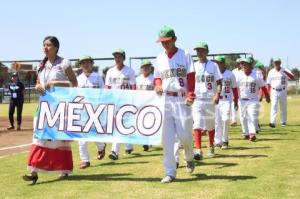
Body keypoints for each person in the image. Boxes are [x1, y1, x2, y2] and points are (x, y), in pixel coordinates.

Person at [22, 36, 77, 184]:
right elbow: (38, 83)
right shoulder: (41, 65)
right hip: (44, 106)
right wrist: (38, 86)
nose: (45, 47)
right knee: (39, 136)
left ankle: (64, 169)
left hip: (59, 106)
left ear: (56, 48)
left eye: (49, 45)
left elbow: (74, 83)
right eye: (44, 45)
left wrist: (55, 82)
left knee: (60, 139)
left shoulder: (64, 63)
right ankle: (33, 171)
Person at [154, 26, 195, 183]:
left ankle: (189, 157)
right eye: (162, 42)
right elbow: (157, 78)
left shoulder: (185, 55)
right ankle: (170, 172)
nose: (164, 44)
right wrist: (157, 85)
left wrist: (191, 94)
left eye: (167, 41)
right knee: (167, 139)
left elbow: (191, 77)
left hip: (181, 98)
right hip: (165, 99)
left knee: (185, 136)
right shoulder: (159, 58)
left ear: (174, 39)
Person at [192, 42, 222, 160]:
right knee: (197, 124)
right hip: (197, 99)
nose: (199, 52)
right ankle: (198, 149)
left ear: (207, 52)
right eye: (197, 50)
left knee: (210, 125)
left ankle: (211, 145)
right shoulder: (193, 66)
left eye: (202, 50)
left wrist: (217, 94)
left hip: (210, 98)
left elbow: (219, 82)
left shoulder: (213, 66)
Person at [105, 49, 136, 160]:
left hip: (126, 101)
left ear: (123, 58)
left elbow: (133, 87)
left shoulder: (130, 71)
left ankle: (117, 150)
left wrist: (133, 102)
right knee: (119, 127)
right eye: (116, 57)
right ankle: (126, 147)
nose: (117, 59)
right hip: (114, 102)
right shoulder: (110, 71)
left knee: (121, 126)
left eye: (119, 57)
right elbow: (107, 88)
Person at [76, 55, 106, 169]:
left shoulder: (98, 77)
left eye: (88, 62)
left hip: (96, 110)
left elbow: (104, 93)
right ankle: (85, 160)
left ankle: (101, 146)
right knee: (81, 137)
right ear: (80, 65)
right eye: (83, 63)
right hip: (82, 110)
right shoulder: (78, 78)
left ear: (92, 64)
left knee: (94, 133)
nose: (85, 64)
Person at [236, 58, 270, 141]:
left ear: (250, 65)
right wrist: (235, 99)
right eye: (242, 64)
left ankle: (252, 133)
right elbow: (235, 88)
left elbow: (263, 86)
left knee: (252, 115)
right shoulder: (238, 75)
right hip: (242, 100)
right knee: (243, 117)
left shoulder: (257, 75)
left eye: (245, 64)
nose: (243, 65)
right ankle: (246, 133)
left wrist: (267, 96)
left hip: (253, 99)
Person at [213, 56, 238, 149]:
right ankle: (217, 141)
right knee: (217, 121)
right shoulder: (214, 74)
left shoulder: (230, 74)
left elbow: (235, 88)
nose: (216, 64)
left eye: (218, 62)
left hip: (227, 100)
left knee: (225, 119)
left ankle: (225, 140)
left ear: (223, 63)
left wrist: (235, 101)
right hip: (216, 100)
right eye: (216, 62)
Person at [266, 58, 294, 128]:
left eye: (278, 62)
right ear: (273, 63)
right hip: (274, 90)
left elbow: (292, 77)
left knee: (283, 107)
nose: (276, 64)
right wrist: (268, 93)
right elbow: (268, 83)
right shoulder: (271, 71)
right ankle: (272, 122)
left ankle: (283, 121)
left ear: (280, 63)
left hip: (283, 90)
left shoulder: (285, 70)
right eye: (275, 62)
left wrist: (285, 72)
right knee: (274, 106)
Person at [136, 59, 154, 151]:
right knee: (141, 124)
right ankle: (145, 141)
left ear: (151, 68)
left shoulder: (154, 78)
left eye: (148, 66)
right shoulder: (138, 79)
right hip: (140, 104)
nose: (146, 68)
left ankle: (148, 142)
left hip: (151, 104)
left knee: (149, 124)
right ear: (141, 68)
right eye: (144, 66)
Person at [230, 58, 241, 126]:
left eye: (240, 63)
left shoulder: (243, 71)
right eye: (237, 63)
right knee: (234, 104)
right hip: (234, 89)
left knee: (242, 105)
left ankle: (244, 120)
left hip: (242, 89)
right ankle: (234, 120)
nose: (238, 64)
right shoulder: (233, 71)